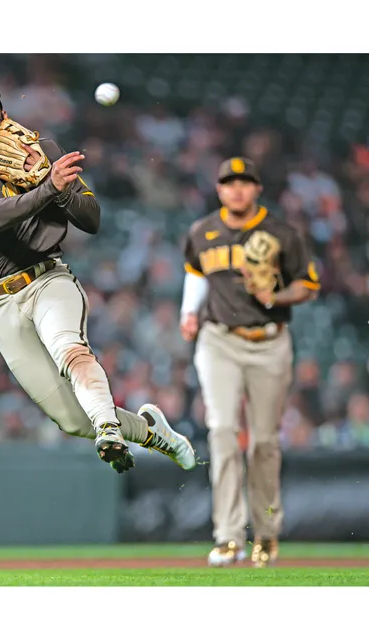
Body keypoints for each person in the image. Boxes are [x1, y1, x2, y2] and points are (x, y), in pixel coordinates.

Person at [0, 78, 196, 474]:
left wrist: (56, 185)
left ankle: (109, 428)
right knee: (73, 420)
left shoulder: (44, 151)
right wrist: (49, 187)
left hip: (47, 280)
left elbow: (91, 219)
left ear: (3, 112)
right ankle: (149, 431)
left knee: (69, 348)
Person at [180, 157, 321, 567]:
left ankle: (267, 533)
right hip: (218, 339)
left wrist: (276, 296)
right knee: (222, 431)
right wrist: (189, 311)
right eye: (229, 183)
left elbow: (308, 284)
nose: (236, 189)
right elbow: (195, 272)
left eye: (244, 182)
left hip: (270, 341)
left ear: (257, 188)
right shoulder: (202, 231)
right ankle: (227, 536)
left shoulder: (282, 233)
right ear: (219, 189)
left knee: (263, 442)